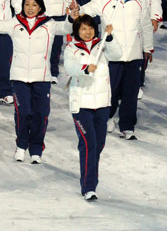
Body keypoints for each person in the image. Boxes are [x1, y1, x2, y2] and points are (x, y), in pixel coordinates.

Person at [0, 0, 78, 164]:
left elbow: (66, 28)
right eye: (27, 4)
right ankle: (21, 146)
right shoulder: (15, 23)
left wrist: (72, 18)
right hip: (19, 78)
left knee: (41, 114)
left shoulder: (49, 24)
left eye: (34, 5)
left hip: (41, 78)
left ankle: (36, 149)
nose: (30, 8)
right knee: (24, 112)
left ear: (40, 7)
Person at [81, 0, 150, 139]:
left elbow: (145, 25)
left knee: (131, 93)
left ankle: (128, 126)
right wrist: (76, 12)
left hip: (134, 54)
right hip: (112, 54)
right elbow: (86, 11)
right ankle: (109, 117)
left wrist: (148, 47)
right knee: (110, 91)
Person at [64, 14, 123, 201]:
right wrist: (84, 69)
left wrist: (111, 37)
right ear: (77, 31)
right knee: (89, 144)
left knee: (98, 145)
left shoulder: (102, 44)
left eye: (90, 28)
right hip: (82, 105)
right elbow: (70, 68)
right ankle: (89, 186)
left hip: (103, 104)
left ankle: (88, 175)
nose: (87, 32)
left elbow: (117, 54)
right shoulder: (71, 48)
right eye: (83, 29)